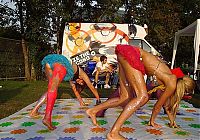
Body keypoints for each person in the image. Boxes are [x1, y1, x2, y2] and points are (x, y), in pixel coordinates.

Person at [86, 44, 195, 140]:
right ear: (184, 90)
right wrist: (152, 121)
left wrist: (170, 121)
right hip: (131, 54)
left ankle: (93, 111)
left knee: (125, 97)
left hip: (125, 52)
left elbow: (166, 106)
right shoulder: (172, 82)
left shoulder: (170, 77)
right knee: (142, 97)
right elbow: (158, 106)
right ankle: (113, 133)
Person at [29, 54, 100, 130]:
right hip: (60, 63)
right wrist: (98, 99)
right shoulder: (82, 73)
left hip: (50, 62)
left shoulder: (72, 77)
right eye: (81, 82)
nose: (79, 82)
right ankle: (47, 118)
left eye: (80, 84)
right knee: (52, 89)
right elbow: (92, 87)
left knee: (51, 89)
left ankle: (34, 111)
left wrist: (81, 101)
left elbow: (75, 91)